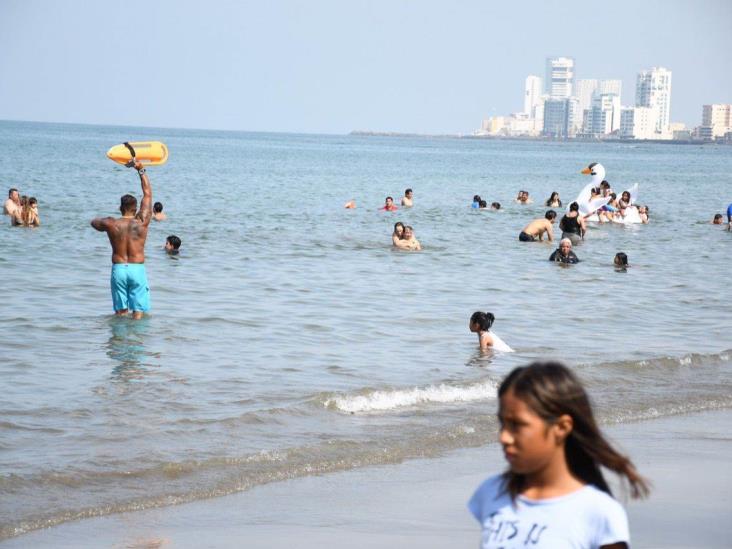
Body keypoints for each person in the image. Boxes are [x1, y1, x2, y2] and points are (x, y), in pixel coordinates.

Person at [468, 362, 649, 549]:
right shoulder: (492, 492)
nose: (503, 437)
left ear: (561, 427)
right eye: (502, 423)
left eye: (517, 425)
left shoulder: (597, 512)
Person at [90, 159, 152, 320]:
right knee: (138, 312)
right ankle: (135, 342)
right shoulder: (142, 222)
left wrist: (105, 221)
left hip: (119, 269)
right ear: (136, 209)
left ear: (120, 208)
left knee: (120, 313)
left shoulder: (111, 224)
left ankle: (118, 342)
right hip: (137, 269)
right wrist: (141, 170)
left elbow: (94, 222)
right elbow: (147, 193)